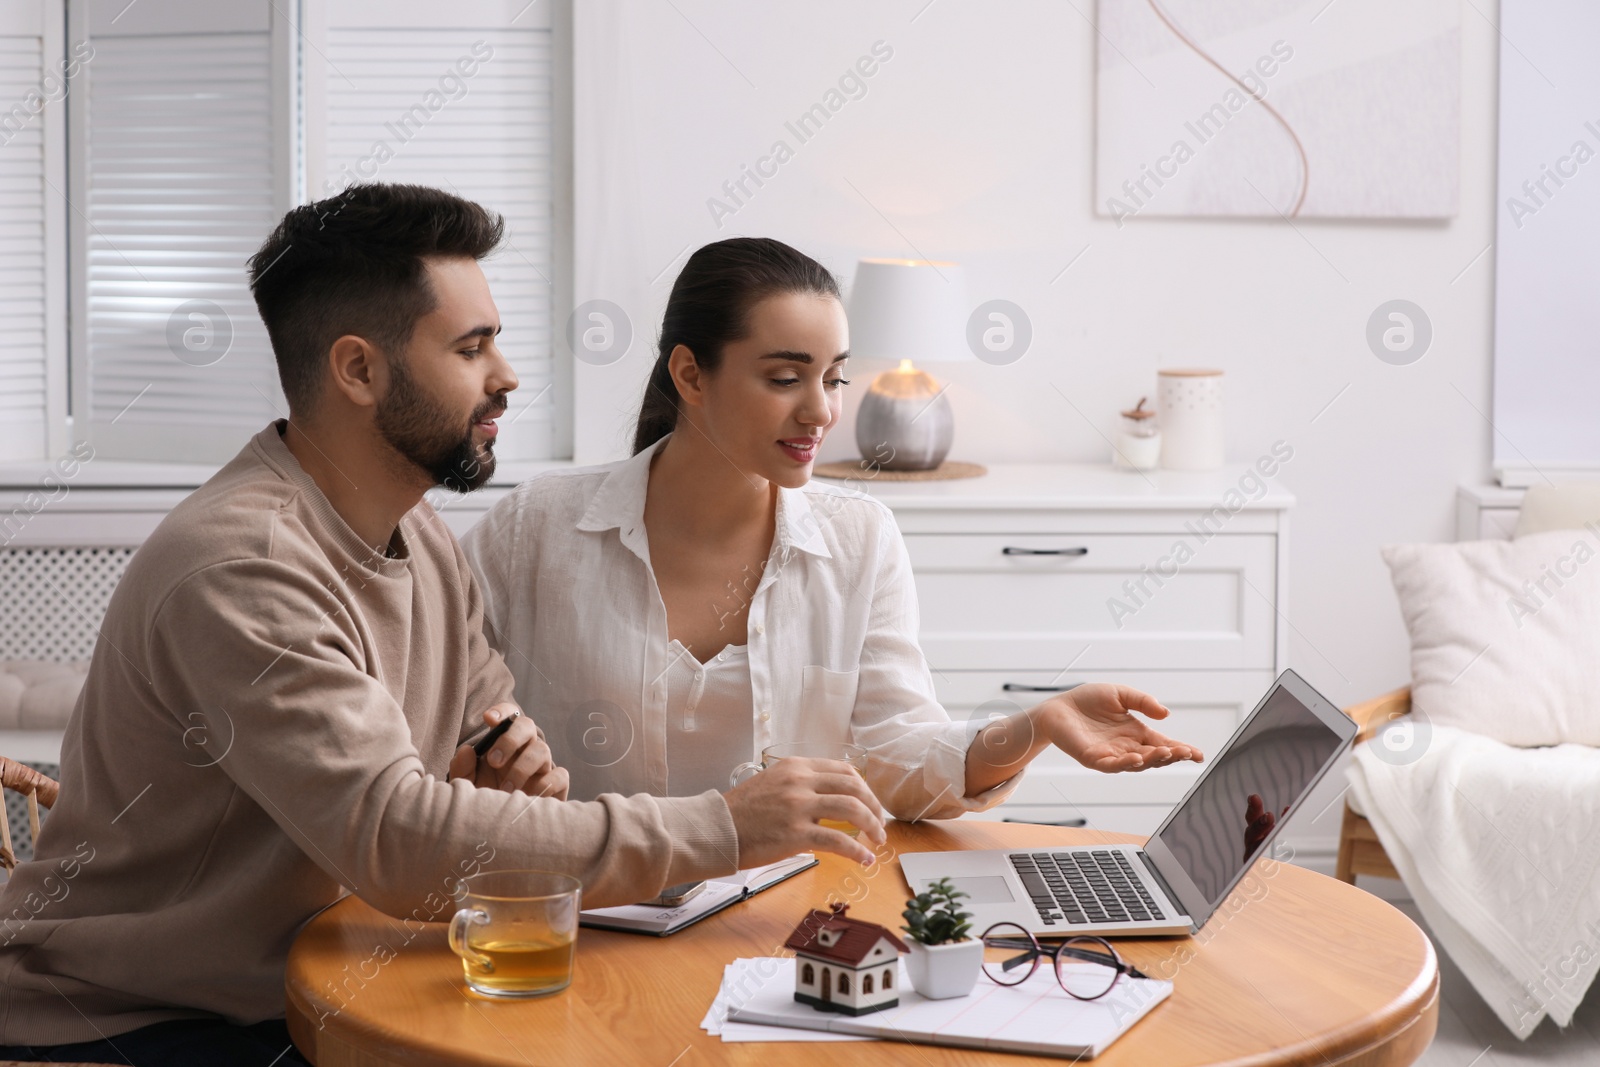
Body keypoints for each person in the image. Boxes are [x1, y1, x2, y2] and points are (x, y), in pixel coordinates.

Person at [0, 189, 884, 1067]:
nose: (506, 375)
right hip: (143, 1020)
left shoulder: (418, 532)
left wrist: (509, 772)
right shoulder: (245, 566)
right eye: (472, 347)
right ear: (359, 370)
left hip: (322, 983)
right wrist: (721, 826)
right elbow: (399, 836)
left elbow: (486, 733)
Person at [461, 237, 1203, 826]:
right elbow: (430, 716)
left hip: (780, 931)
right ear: (690, 374)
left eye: (835, 377)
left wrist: (1033, 726)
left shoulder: (859, 538)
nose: (821, 411)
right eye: (786, 378)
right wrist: (484, 751)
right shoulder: (537, 527)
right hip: (587, 927)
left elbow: (897, 756)